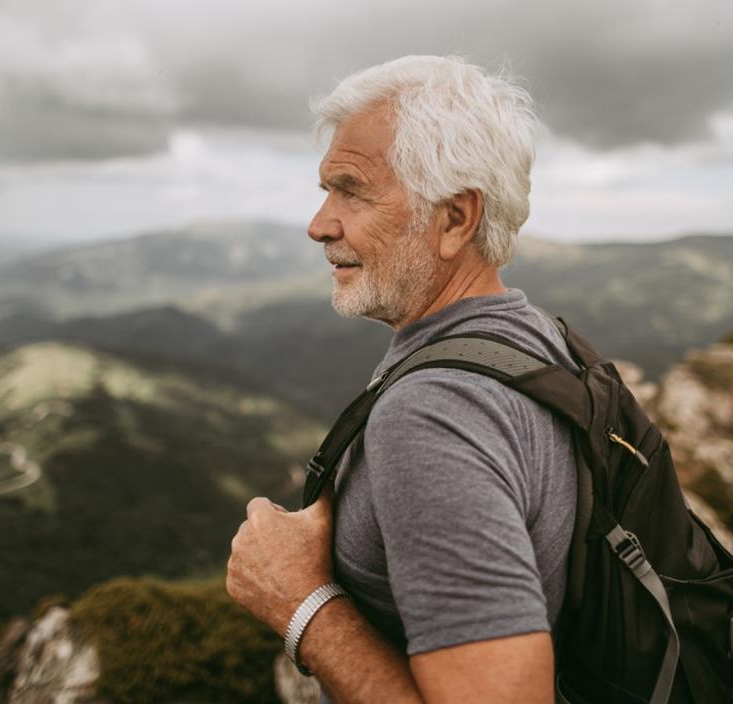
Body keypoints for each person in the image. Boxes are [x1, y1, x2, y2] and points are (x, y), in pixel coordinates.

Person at [227, 55, 579, 703]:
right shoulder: (536, 338)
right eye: (325, 190)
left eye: (351, 190)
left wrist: (302, 606)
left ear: (454, 220)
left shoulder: (432, 414)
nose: (319, 224)